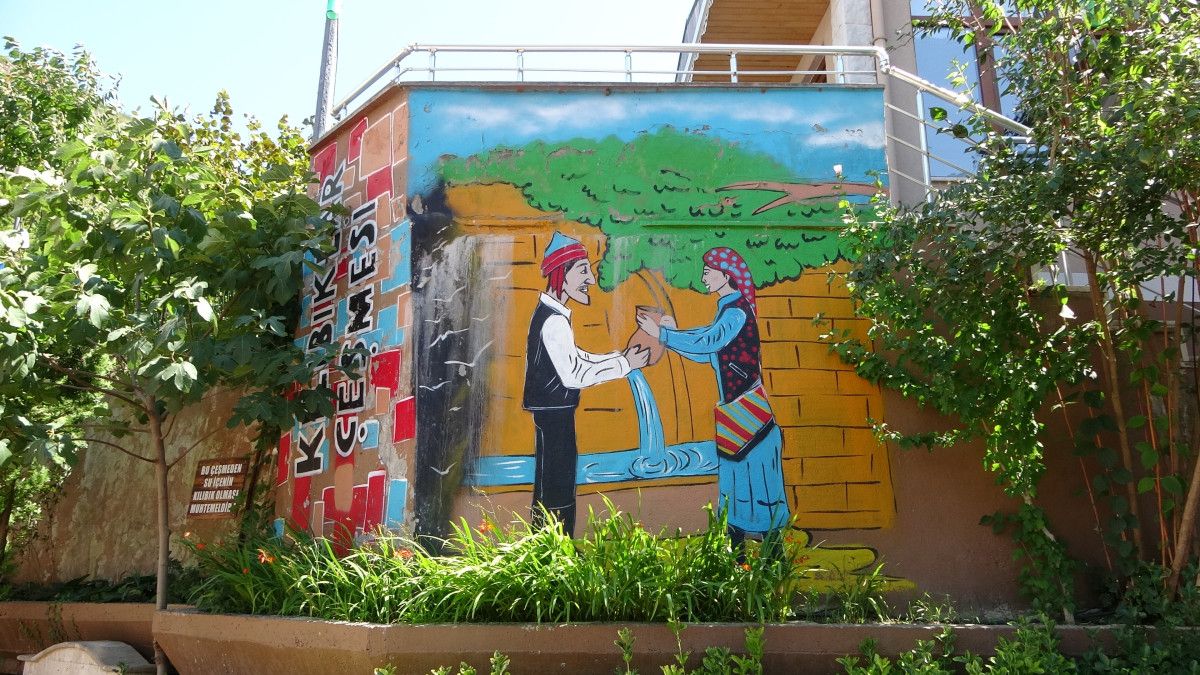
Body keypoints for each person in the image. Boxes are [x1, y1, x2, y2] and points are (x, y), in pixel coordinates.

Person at [636, 247, 789, 550]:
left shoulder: (736, 312)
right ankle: (738, 557)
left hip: (751, 419)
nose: (704, 277)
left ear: (726, 276)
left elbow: (710, 340)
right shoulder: (729, 309)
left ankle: (770, 559)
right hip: (738, 417)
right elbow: (711, 353)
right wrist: (671, 336)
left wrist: (663, 335)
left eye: (708, 272)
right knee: (736, 489)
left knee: (757, 489)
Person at [524, 231, 649, 535]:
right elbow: (573, 374)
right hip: (556, 416)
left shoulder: (551, 315)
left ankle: (548, 545)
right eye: (582, 270)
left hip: (553, 413)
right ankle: (558, 547)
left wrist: (620, 360)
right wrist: (624, 365)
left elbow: (578, 357)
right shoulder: (554, 321)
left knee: (552, 485)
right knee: (558, 487)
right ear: (561, 273)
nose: (590, 279)